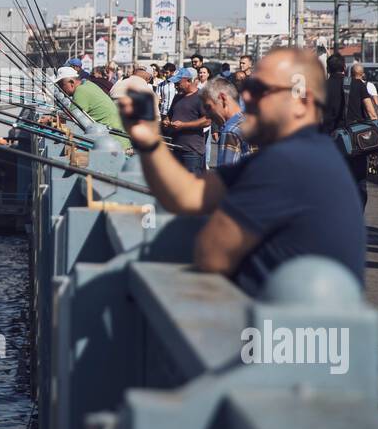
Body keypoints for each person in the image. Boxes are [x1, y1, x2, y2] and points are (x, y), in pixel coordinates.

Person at [121, 46, 365, 294]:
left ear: (302, 100)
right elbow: (189, 194)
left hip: (273, 330)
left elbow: (212, 253)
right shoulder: (302, 151)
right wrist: (149, 140)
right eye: (247, 88)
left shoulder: (290, 162)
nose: (246, 98)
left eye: (259, 90)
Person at [54, 65, 128, 147]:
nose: (60, 89)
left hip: (113, 142)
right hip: (119, 137)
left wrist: (53, 118)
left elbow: (71, 118)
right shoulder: (88, 84)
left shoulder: (80, 91)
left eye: (61, 85)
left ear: (71, 83)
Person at [343, 61, 378, 209]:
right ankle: (358, 208)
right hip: (357, 137)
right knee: (359, 177)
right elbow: (371, 112)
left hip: (338, 136)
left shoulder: (340, 84)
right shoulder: (361, 86)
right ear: (362, 74)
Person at [162, 67, 209, 174]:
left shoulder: (201, 97)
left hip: (192, 150)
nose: (176, 85)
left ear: (189, 80)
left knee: (192, 184)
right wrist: (166, 121)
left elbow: (207, 120)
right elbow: (169, 115)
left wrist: (184, 125)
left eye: (178, 83)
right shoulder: (178, 97)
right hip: (176, 147)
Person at [203, 77, 246, 168]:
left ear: (222, 99)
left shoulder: (230, 131)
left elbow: (226, 176)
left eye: (208, 107)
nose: (207, 115)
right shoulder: (248, 122)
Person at [322, 53, 347, 134]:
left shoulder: (320, 87)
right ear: (344, 68)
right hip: (351, 134)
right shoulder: (357, 84)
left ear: (328, 69)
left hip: (328, 133)